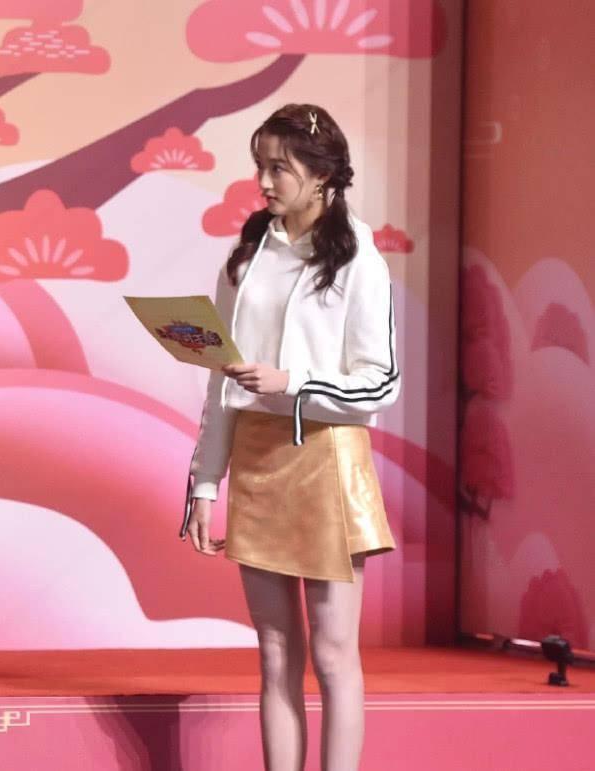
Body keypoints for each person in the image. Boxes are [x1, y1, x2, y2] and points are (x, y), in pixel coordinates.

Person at [180, 103, 400, 771]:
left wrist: (293, 382)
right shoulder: (249, 255)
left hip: (327, 458)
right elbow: (220, 381)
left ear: (323, 173)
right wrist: (204, 483)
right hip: (257, 458)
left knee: (333, 653)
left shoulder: (358, 257)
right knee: (275, 650)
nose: (264, 182)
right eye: (261, 166)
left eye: (279, 167)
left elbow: (381, 382)